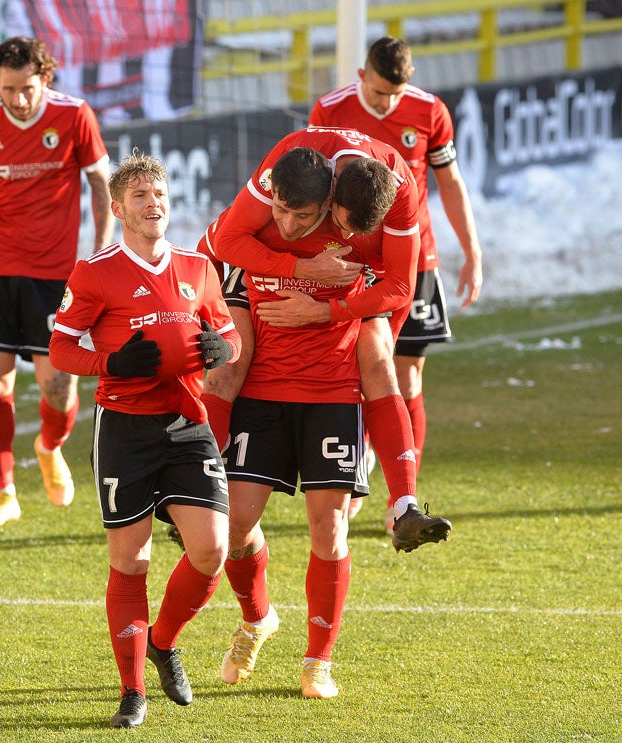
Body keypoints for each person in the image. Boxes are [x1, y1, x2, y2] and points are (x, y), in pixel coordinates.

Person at [49, 152, 242, 728]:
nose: (152, 203)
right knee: (131, 562)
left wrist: (220, 349)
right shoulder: (93, 272)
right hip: (125, 431)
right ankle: (133, 690)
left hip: (188, 423)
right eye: (139, 196)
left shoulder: (197, 267)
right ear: (118, 208)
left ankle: (163, 640)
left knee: (210, 550)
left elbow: (226, 331)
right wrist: (111, 361)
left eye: (159, 193)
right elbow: (61, 348)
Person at [206, 127, 452, 555]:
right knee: (229, 367)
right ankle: (197, 487)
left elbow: (399, 287)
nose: (347, 235)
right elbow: (222, 241)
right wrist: (298, 271)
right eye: (337, 222)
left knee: (378, 365)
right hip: (260, 271)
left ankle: (406, 504)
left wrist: (329, 314)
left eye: (358, 231)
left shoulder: (400, 191)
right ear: (329, 191)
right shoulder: (292, 163)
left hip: (346, 285)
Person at [206, 146, 388, 699]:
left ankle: (318, 661)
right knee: (232, 525)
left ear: (327, 202)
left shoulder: (356, 235)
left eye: (297, 215)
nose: (285, 224)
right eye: (278, 210)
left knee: (329, 528)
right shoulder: (250, 236)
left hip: (333, 397)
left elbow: (386, 303)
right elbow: (212, 288)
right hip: (262, 398)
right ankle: (257, 618)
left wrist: (332, 311)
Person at [0, 36, 114, 526]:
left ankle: (49, 445)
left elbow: (100, 186)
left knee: (60, 388)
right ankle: (3, 491)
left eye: (27, 88)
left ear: (44, 78)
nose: (18, 99)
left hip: (55, 276)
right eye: (8, 89)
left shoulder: (74, 116)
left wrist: (100, 255)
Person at [309, 36, 483, 524]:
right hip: (352, 259)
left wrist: (472, 250)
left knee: (406, 375)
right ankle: (357, 466)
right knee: (358, 369)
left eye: (396, 95)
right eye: (381, 93)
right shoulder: (330, 108)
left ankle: (400, 501)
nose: (388, 104)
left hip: (415, 259)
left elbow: (449, 182)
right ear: (363, 76)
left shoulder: (429, 112)